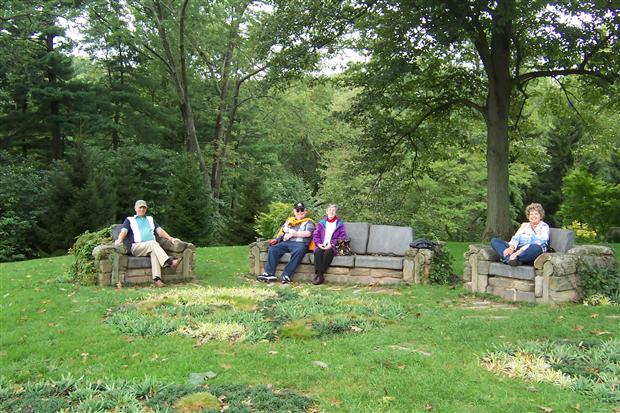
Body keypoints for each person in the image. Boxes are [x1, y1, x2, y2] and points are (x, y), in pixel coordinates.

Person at [115, 200, 180, 287]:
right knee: (153, 244)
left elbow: (159, 231)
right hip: (137, 247)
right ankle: (170, 262)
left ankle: (157, 279)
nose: (142, 209)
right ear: (135, 209)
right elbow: (124, 231)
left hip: (150, 247)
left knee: (154, 252)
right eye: (140, 207)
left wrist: (170, 238)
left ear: (146, 209)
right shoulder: (130, 220)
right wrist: (119, 239)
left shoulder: (150, 219)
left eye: (144, 207)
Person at [257, 202, 315, 284]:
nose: (300, 212)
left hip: (300, 244)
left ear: (305, 211)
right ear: (294, 211)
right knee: (273, 249)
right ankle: (269, 274)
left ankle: (286, 275)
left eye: (302, 210)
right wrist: (287, 232)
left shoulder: (309, 222)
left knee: (299, 252)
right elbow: (284, 228)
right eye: (297, 210)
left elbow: (308, 233)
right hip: (287, 243)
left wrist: (292, 233)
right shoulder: (290, 221)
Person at [312, 203, 347, 285]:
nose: (331, 212)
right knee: (317, 252)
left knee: (328, 253)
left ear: (335, 212)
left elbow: (342, 236)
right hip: (322, 244)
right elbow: (315, 235)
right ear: (326, 212)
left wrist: (332, 244)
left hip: (333, 246)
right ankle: (320, 276)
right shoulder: (322, 223)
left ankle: (319, 275)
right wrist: (319, 244)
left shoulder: (339, 223)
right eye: (330, 210)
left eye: (333, 210)